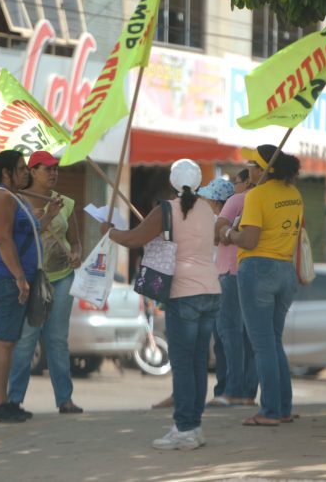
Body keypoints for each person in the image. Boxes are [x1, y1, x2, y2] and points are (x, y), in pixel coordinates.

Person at [103, 159, 220, 450]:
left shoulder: (167, 209)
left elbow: (134, 238)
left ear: (171, 181)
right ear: (198, 183)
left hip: (183, 292)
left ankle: (183, 429)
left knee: (182, 363)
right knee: (197, 363)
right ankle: (194, 426)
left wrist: (110, 231)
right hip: (211, 290)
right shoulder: (207, 209)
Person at [219, 145, 303, 426]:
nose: (250, 169)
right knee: (273, 342)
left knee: (263, 345)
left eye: (254, 164)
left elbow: (250, 240)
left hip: (258, 269)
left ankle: (269, 411)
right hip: (285, 271)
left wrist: (228, 233)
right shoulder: (294, 194)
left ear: (266, 168)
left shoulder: (255, 196)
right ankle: (283, 408)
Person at [7, 151, 84, 415]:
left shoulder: (66, 203)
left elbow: (75, 241)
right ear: (32, 171)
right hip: (31, 279)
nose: (53, 174)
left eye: (56, 169)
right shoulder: (17, 202)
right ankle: (13, 399)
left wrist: (76, 254)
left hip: (62, 279)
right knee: (26, 340)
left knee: (57, 341)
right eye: (47, 169)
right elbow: (20, 240)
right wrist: (47, 216)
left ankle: (65, 399)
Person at [0, 149, 42, 423]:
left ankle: (4, 401)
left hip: (18, 277)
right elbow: (3, 240)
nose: (26, 172)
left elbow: (28, 235)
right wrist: (18, 277)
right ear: (6, 173)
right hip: (7, 278)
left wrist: (48, 216)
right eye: (21, 168)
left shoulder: (14, 197)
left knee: (10, 341)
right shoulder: (0, 196)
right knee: (3, 341)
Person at [211, 170, 258, 407]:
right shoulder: (264, 199)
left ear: (247, 180)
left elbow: (217, 234)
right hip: (254, 273)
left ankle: (233, 390)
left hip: (229, 272)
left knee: (229, 333)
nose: (234, 187)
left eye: (236, 182)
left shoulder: (237, 200)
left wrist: (227, 232)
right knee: (251, 336)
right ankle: (248, 392)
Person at [197, 178, 237, 407]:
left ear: (214, 201)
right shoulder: (224, 220)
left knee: (223, 340)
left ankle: (225, 388)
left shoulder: (213, 222)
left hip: (216, 283)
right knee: (222, 341)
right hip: (216, 282)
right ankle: (223, 388)